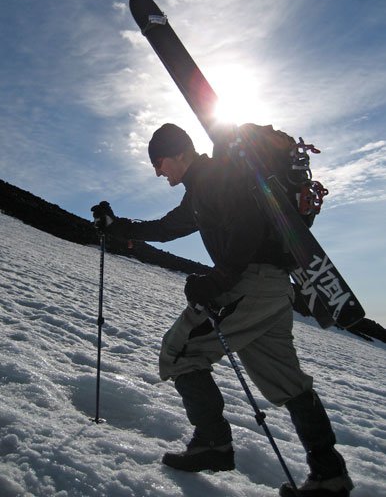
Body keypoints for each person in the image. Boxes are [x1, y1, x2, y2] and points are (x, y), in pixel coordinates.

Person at [91, 123, 353, 497]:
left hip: (250, 283)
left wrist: (220, 279)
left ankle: (212, 444)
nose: (157, 170)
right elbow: (166, 228)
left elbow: (246, 224)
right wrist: (119, 227)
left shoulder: (215, 177)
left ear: (180, 153)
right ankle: (330, 475)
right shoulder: (202, 187)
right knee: (287, 381)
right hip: (273, 289)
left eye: (159, 161)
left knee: (180, 351)